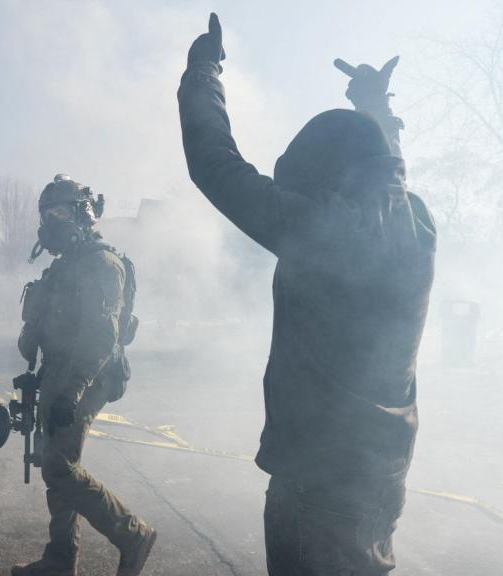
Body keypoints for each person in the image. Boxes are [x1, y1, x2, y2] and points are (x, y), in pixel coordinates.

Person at [178, 15, 436, 576]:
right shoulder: (414, 222)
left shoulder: (327, 232)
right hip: (382, 472)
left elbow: (215, 165)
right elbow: (386, 166)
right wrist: (375, 106)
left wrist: (203, 72)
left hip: (319, 482)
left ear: (327, 181)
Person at [10, 175, 154, 576]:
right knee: (54, 462)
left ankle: (133, 534)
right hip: (58, 372)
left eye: (58, 212)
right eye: (46, 214)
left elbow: (99, 338)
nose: (50, 222)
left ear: (82, 214)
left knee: (58, 466)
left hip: (91, 375)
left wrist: (70, 394)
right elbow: (46, 327)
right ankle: (60, 560)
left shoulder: (102, 264)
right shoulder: (63, 268)